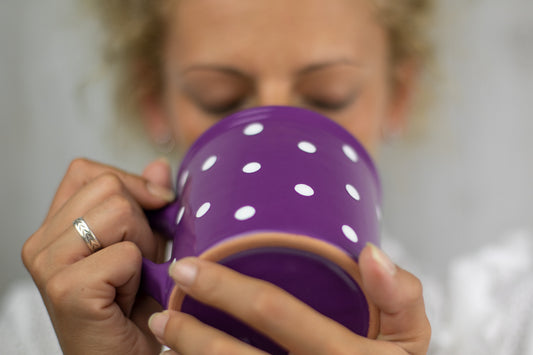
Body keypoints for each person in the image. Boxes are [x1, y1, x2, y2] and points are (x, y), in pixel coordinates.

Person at [7, 0, 531, 354]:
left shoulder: (498, 324)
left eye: (329, 96)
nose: (274, 131)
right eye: (222, 99)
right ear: (154, 99)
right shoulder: (48, 327)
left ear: (397, 96)